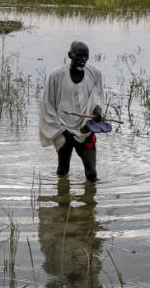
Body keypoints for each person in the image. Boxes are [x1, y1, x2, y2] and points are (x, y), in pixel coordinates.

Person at [39, 41, 104, 182]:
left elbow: (98, 97)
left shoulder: (95, 74)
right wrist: (62, 130)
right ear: (70, 55)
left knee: (92, 174)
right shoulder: (56, 76)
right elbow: (48, 106)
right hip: (63, 130)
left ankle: (89, 201)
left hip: (85, 130)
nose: (83, 60)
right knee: (62, 172)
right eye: (79, 56)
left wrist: (98, 110)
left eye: (85, 56)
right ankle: (62, 200)